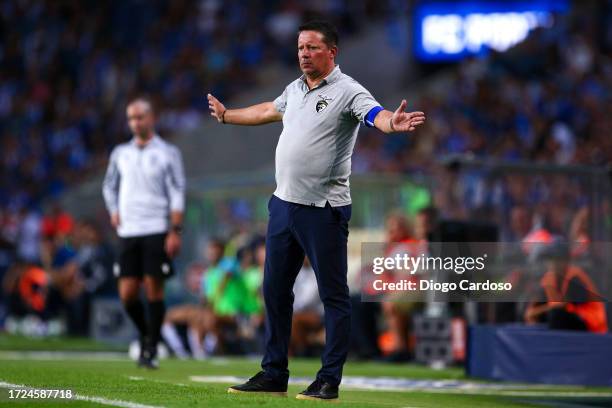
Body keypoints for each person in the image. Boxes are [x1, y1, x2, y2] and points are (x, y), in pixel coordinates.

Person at [208, 20, 425, 401]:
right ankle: (273, 372)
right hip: (283, 205)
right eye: (300, 48)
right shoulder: (294, 89)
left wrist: (394, 122)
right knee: (274, 290)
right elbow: (265, 110)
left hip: (323, 210)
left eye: (311, 47)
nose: (303, 54)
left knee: (333, 296)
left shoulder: (348, 90)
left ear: (331, 52)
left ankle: (329, 380)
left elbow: (377, 115)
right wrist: (228, 115)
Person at [102, 98, 185, 369]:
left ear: (152, 118)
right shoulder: (120, 153)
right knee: (126, 293)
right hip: (128, 231)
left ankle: (149, 348)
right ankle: (148, 335)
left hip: (155, 229)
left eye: (140, 117)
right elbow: (109, 186)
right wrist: (113, 210)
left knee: (153, 290)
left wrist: (174, 230)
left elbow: (177, 191)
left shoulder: (167, 152)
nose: (135, 122)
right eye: (131, 118)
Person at [524, 239, 608, 333]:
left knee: (556, 315)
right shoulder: (549, 278)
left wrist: (538, 311)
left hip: (593, 325)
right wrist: (533, 313)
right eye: (551, 259)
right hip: (572, 320)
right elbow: (538, 305)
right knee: (546, 316)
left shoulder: (575, 277)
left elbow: (563, 306)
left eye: (557, 258)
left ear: (566, 260)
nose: (552, 263)